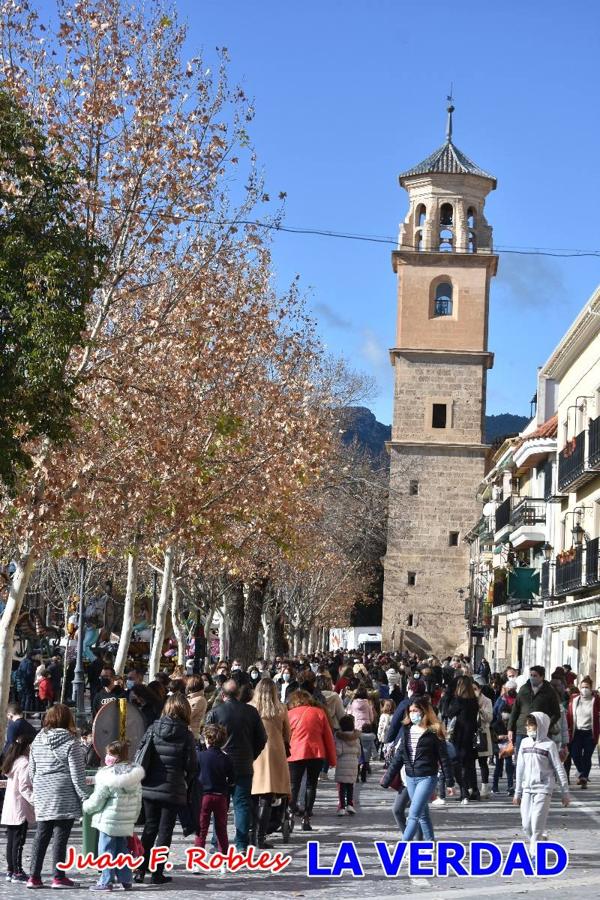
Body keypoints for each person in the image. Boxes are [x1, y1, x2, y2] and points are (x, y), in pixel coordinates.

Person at [134, 693, 198, 885]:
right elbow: (192, 765)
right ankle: (157, 872)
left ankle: (140, 869)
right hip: (173, 789)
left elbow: (142, 752)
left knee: (149, 828)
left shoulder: (153, 728)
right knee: (165, 832)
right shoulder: (186, 735)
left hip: (150, 787)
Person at [28, 704, 87, 889]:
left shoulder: (37, 740)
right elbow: (77, 774)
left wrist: (39, 787)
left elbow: (32, 771)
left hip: (42, 791)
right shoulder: (71, 741)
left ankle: (34, 877)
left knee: (41, 834)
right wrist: (85, 797)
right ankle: (58, 877)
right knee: (60, 836)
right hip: (63, 793)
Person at [205, 679, 267, 851]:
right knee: (241, 805)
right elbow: (262, 738)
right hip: (243, 764)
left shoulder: (216, 712)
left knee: (220, 806)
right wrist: (251, 755)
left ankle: (217, 842)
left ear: (223, 694)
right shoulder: (251, 712)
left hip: (219, 765)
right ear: (238, 694)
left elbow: (207, 737)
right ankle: (241, 844)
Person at [381, 697, 454, 839]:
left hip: (427, 777)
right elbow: (399, 757)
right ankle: (429, 845)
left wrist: (450, 782)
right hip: (410, 777)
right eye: (411, 711)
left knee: (413, 814)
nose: (413, 713)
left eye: (416, 710)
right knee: (422, 814)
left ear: (424, 711)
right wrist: (387, 778)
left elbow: (444, 758)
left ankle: (405, 846)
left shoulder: (434, 732)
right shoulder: (407, 730)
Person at [83, 740, 144, 892]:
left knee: (107, 850)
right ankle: (126, 879)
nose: (107, 757)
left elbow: (98, 799)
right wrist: (132, 818)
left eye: (110, 754)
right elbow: (138, 799)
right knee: (122, 850)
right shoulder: (134, 775)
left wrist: (86, 806)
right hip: (125, 821)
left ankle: (106, 881)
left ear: (116, 756)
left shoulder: (108, 774)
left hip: (108, 821)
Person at [513, 712, 570, 859]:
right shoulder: (524, 743)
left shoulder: (549, 745)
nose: (528, 728)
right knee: (526, 825)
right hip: (527, 789)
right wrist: (517, 792)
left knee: (536, 824)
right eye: (527, 726)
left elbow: (559, 768)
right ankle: (539, 841)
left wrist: (565, 792)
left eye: (531, 725)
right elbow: (520, 768)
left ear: (540, 726)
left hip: (544, 789)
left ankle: (533, 856)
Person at [249, 677, 291, 848]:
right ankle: (260, 836)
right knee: (267, 796)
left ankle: (251, 832)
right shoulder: (280, 708)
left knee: (252, 794)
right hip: (274, 753)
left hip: (253, 752)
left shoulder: (251, 708)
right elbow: (287, 734)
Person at [287, 690, 336, 831]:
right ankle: (306, 817)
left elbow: (285, 736)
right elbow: (328, 737)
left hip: (295, 753)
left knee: (293, 785)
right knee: (311, 785)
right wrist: (332, 759)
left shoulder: (290, 714)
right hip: (316, 753)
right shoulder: (319, 713)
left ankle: (291, 812)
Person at [1, 733, 35, 883]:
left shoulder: (13, 762)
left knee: (11, 842)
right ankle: (17, 871)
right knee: (18, 842)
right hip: (20, 808)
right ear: (27, 746)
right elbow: (24, 787)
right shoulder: (25, 763)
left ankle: (10, 870)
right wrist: (36, 800)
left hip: (11, 807)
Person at [196, 724, 235, 853]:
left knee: (201, 829)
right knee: (221, 829)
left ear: (207, 739)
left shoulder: (200, 756)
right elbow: (232, 779)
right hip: (220, 796)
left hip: (204, 796)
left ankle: (196, 860)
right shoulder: (226, 758)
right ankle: (224, 859)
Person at [508, 666, 561, 756]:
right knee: (521, 758)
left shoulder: (549, 691)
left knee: (538, 758)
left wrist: (547, 725)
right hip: (522, 729)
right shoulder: (524, 689)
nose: (532, 677)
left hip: (540, 732)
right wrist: (510, 728)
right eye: (531, 675)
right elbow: (515, 710)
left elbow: (556, 713)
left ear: (542, 677)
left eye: (535, 675)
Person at [447, 676, 479, 803]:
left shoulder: (459, 700)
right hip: (471, 735)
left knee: (458, 764)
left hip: (460, 735)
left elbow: (449, 713)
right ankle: (473, 789)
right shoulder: (474, 701)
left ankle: (464, 791)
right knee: (469, 765)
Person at [566, 677, 600, 788]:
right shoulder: (574, 699)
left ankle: (583, 778)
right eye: (582, 687)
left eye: (587, 687)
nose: (584, 689)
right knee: (575, 754)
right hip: (577, 732)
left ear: (591, 688)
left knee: (587, 756)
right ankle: (582, 774)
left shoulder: (596, 700)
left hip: (590, 732)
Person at [334, 715, 360, 816]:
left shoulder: (340, 737)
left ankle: (341, 807)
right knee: (350, 786)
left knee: (341, 787)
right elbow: (359, 751)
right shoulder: (356, 737)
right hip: (353, 763)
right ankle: (350, 804)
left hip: (342, 763)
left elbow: (338, 751)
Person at [473, 678, 493, 798]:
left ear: (479, 689)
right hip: (471, 733)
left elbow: (489, 718)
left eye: (475, 689)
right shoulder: (467, 700)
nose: (473, 692)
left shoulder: (487, 701)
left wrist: (480, 709)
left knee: (482, 762)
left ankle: (484, 788)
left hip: (482, 732)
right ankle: (472, 787)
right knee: (470, 762)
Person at [185, 675, 207, 740]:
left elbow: (187, 716)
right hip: (187, 732)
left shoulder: (199, 700)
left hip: (191, 734)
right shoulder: (191, 697)